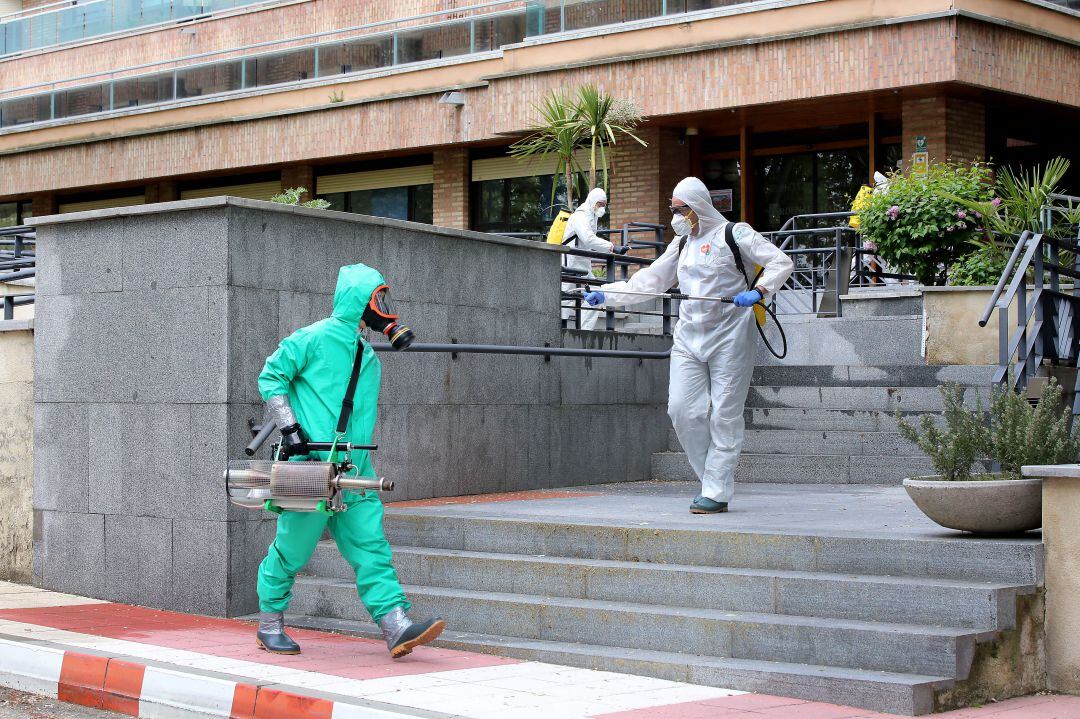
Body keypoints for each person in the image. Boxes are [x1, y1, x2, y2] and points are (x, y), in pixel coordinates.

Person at [255, 262, 444, 657]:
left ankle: (396, 626)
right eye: (378, 299)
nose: (383, 308)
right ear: (360, 300)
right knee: (293, 548)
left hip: (356, 467)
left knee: (371, 544)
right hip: (311, 466)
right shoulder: (313, 337)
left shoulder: (366, 354)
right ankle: (269, 622)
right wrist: (290, 429)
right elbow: (271, 376)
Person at [584, 177, 793, 514]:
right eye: (673, 210)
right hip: (688, 337)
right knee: (681, 410)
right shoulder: (681, 244)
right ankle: (712, 479)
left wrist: (760, 291)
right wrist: (607, 295)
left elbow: (781, 262)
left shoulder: (735, 234)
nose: (676, 216)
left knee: (725, 414)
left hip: (731, 334)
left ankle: (715, 489)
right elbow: (650, 281)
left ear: (699, 207)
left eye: (682, 210)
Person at [560, 188, 629, 330]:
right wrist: (612, 247)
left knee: (595, 296)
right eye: (600, 204)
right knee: (566, 296)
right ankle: (561, 329)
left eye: (604, 204)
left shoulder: (592, 216)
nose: (602, 207)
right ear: (592, 201)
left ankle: (583, 331)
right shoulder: (580, 216)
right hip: (571, 260)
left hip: (582, 261)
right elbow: (588, 239)